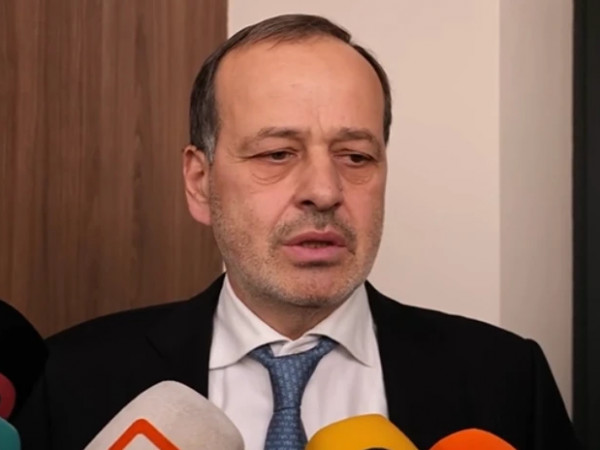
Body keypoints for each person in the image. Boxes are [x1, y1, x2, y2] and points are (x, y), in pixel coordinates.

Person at [14, 14, 578, 450]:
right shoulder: (70, 377)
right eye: (277, 153)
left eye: (355, 156)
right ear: (199, 182)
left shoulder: (506, 379)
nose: (325, 191)